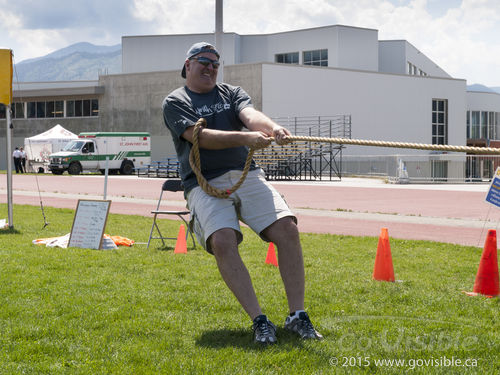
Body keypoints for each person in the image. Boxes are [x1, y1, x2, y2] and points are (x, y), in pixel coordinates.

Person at [162, 42, 322, 345]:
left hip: (246, 174)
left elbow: (250, 114)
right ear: (188, 65)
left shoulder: (231, 93)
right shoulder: (175, 101)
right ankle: (260, 321)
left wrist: (272, 128)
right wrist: (246, 138)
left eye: (215, 64)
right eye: (203, 62)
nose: (210, 68)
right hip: (202, 184)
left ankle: (297, 315)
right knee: (222, 241)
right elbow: (202, 138)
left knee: (287, 229)